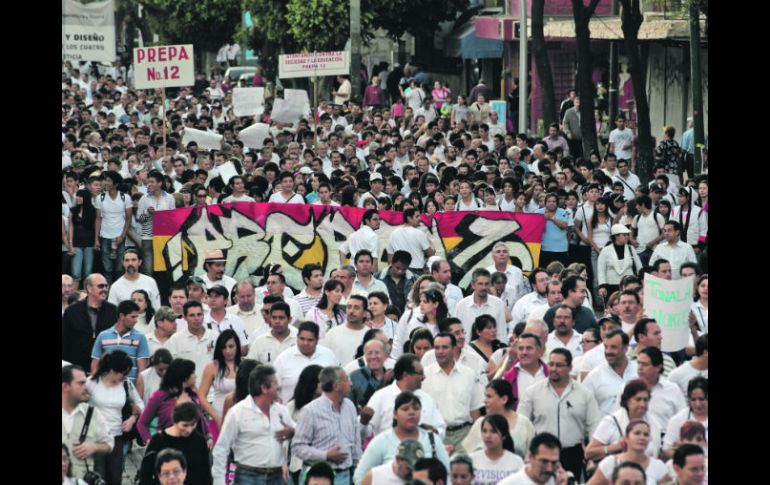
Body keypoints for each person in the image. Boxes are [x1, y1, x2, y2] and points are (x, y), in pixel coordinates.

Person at [518, 348, 601, 480]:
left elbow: (594, 427)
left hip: (573, 455)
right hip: (541, 455)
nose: (554, 368)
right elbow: (522, 425)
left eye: (559, 365)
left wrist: (592, 457)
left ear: (569, 367)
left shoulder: (584, 394)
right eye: (551, 364)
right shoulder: (532, 392)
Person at [212, 364, 295, 485]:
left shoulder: (282, 410)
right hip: (248, 477)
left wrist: (293, 431)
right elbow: (221, 448)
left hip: (277, 476)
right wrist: (219, 482)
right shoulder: (237, 412)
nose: (279, 386)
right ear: (264, 388)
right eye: (275, 383)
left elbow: (298, 431)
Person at [354, 392, 450, 484]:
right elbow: (359, 477)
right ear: (395, 414)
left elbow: (448, 473)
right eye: (405, 409)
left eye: (416, 409)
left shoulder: (432, 439)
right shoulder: (382, 441)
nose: (411, 412)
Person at [292, 366, 362, 485]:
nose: (351, 383)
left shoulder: (350, 406)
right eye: (346, 379)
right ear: (336, 386)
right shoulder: (311, 411)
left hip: (345, 476)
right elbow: (297, 447)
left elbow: (355, 443)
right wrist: (325, 455)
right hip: (317, 478)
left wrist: (358, 470)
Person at [87, 350, 144, 485]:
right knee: (98, 475)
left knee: (115, 477)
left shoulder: (126, 384)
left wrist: (132, 419)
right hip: (95, 436)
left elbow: (140, 404)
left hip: (116, 436)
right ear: (113, 370)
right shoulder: (91, 383)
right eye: (123, 373)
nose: (125, 377)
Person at [422, 332, 484, 452]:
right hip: (435, 435)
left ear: (454, 349)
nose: (440, 351)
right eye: (437, 348)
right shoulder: (424, 375)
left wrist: (477, 438)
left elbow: (475, 410)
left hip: (464, 435)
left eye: (445, 347)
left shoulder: (469, 374)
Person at [361, 353, 446, 438]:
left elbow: (441, 429)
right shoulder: (381, 397)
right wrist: (363, 422)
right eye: (420, 373)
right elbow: (365, 433)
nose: (423, 377)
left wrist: (434, 432)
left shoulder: (427, 399)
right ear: (406, 375)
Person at [137, 358, 212, 447]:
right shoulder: (160, 395)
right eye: (193, 373)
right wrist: (151, 442)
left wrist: (208, 436)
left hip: (193, 446)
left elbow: (201, 418)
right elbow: (142, 423)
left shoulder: (193, 394)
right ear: (184, 377)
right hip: (168, 447)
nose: (196, 376)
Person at [585, 380, 663, 463]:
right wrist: (616, 447)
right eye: (638, 399)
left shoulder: (654, 425)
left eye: (645, 400)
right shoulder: (611, 422)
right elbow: (589, 452)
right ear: (628, 401)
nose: (642, 404)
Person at [462, 379, 535, 460]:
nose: (484, 401)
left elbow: (531, 457)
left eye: (489, 396)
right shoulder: (480, 423)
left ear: (504, 399)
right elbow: (468, 455)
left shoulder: (524, 423)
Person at [62, 365, 114, 479]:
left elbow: (109, 444)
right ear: (65, 387)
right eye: (81, 383)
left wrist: (94, 447)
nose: (86, 388)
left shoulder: (93, 413)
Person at [143, 402, 212, 485]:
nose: (189, 430)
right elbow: (146, 474)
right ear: (175, 422)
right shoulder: (158, 441)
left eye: (193, 424)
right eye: (185, 425)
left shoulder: (199, 441)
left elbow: (205, 474)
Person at [587, 420, 671, 485]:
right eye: (637, 433)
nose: (642, 437)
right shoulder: (610, 463)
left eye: (646, 435)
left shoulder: (659, 467)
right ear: (626, 438)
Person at [63, 274, 119, 371]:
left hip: (106, 369)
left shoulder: (113, 311)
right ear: (89, 288)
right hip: (77, 368)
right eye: (101, 286)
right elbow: (64, 341)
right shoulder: (72, 311)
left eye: (106, 286)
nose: (105, 289)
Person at [274, 321, 337, 403]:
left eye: (310, 340)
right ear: (297, 338)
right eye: (302, 339)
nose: (305, 343)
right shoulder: (282, 359)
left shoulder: (329, 356)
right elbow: (274, 388)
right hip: (291, 412)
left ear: (317, 340)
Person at [90, 300, 150, 382]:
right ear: (122, 316)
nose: (136, 321)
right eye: (133, 317)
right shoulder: (102, 336)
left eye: (137, 317)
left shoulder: (141, 337)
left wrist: (137, 392)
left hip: (129, 389)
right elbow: (95, 365)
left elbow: (142, 371)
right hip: (106, 388)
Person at [582, 329, 639, 416]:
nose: (608, 351)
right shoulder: (594, 376)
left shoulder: (639, 372)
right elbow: (584, 408)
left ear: (625, 348)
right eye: (606, 347)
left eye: (613, 347)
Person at [165, 301, 218, 388]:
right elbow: (169, 368)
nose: (196, 318)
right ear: (185, 318)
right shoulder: (175, 339)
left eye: (199, 314)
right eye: (192, 315)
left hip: (212, 393)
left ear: (203, 316)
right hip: (186, 393)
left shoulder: (215, 336)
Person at [198, 329, 241, 433]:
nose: (227, 351)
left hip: (240, 418)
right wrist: (216, 417)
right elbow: (201, 396)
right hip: (218, 417)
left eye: (231, 346)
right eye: (224, 347)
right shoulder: (212, 367)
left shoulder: (244, 366)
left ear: (237, 347)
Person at [94, 171, 133, 285]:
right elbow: (98, 218)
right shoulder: (100, 198)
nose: (105, 183)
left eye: (108, 180)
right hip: (105, 235)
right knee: (107, 268)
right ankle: (108, 292)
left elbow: (128, 219)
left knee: (120, 268)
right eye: (105, 180)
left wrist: (122, 236)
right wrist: (96, 239)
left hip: (119, 236)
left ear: (115, 184)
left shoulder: (125, 197)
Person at [137, 170, 176, 274]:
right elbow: (139, 219)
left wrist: (163, 217)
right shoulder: (144, 199)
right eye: (148, 182)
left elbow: (173, 219)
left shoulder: (169, 198)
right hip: (148, 238)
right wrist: (147, 213)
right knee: (148, 269)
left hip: (164, 238)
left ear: (159, 183)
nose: (149, 184)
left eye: (152, 182)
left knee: (166, 268)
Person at [469, 415, 525, 484]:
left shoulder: (516, 462)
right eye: (484, 431)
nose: (487, 436)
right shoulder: (471, 460)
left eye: (493, 431)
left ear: (504, 435)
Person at [455, 268, 508, 341]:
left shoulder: (498, 304)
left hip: (492, 350)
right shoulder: (462, 305)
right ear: (473, 285)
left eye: (486, 284)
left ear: (490, 285)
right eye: (480, 284)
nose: (484, 287)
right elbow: (456, 332)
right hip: (467, 350)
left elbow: (502, 333)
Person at [662, 377, 708, 461]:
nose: (698, 404)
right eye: (693, 399)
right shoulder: (678, 419)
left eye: (702, 399)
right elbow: (666, 450)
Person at [498, 432, 570, 485]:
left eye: (554, 463)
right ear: (530, 457)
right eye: (544, 462)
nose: (549, 468)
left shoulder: (559, 481)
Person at [596, 225, 642, 300]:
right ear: (616, 236)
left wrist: (641, 280)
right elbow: (601, 270)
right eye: (624, 235)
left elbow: (639, 266)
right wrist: (602, 286)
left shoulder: (631, 248)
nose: (627, 237)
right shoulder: (605, 250)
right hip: (611, 286)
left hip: (629, 286)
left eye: (627, 235)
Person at [326, 294, 371, 365]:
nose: (351, 311)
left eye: (356, 308)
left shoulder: (371, 335)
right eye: (349, 307)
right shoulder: (332, 333)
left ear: (365, 313)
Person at [387, 208, 434, 274]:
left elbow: (390, 257)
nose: (420, 219)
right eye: (417, 216)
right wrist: (431, 244)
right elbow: (431, 253)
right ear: (409, 218)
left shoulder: (393, 233)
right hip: (416, 272)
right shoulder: (419, 233)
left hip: (399, 272)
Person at [69, 189, 98, 289]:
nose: (78, 198)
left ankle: (87, 296)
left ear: (86, 198)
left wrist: (96, 242)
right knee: (76, 272)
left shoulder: (93, 211)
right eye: (77, 196)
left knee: (88, 272)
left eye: (80, 196)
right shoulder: (73, 210)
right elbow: (71, 227)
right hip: (76, 243)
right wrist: (70, 244)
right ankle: (73, 298)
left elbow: (95, 227)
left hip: (89, 243)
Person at [536, 193, 573, 268]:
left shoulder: (564, 212)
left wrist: (552, 217)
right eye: (549, 201)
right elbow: (535, 229)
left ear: (557, 203)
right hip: (544, 249)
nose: (551, 203)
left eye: (554, 201)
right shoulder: (538, 212)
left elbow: (564, 225)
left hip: (561, 250)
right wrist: (542, 219)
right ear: (545, 203)